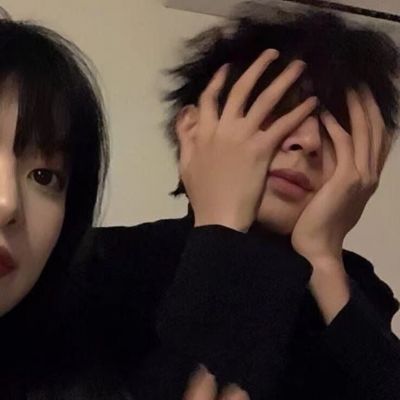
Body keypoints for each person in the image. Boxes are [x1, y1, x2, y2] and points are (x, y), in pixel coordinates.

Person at [74, 4, 400, 400]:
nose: (309, 142)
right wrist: (222, 232)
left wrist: (324, 261)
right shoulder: (103, 261)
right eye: (279, 109)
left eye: (336, 126)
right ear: (195, 128)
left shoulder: (356, 292)